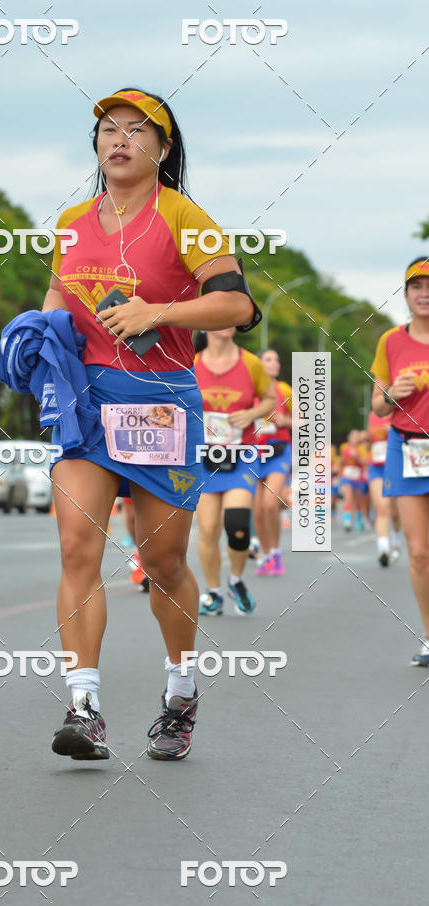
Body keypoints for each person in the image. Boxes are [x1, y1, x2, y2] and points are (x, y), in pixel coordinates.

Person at [42, 88, 259, 761]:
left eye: (138, 130)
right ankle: (84, 707)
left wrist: (156, 313)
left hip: (158, 400)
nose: (120, 138)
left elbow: (238, 305)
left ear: (163, 150)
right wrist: (38, 336)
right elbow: (58, 297)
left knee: (162, 560)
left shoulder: (183, 216)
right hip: (86, 402)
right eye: (109, 128)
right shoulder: (73, 223)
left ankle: (180, 692)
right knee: (78, 546)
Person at [371, 256, 429, 666]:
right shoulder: (391, 341)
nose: (424, 294)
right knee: (420, 551)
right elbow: (377, 406)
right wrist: (394, 391)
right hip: (408, 447)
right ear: (406, 294)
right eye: (416, 287)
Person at [195, 328, 274, 615]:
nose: (224, 322)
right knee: (207, 530)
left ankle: (236, 580)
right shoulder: (192, 363)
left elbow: (269, 399)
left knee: (237, 524)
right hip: (203, 457)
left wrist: (251, 414)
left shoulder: (251, 362)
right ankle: (213, 592)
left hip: (242, 454)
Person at [252, 348, 292, 576]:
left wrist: (284, 419)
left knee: (270, 502)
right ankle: (267, 555)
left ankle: (276, 553)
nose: (275, 363)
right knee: (257, 511)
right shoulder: (252, 388)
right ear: (259, 364)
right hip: (256, 452)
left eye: (277, 359)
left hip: (279, 450)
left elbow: (303, 421)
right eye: (268, 359)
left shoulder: (284, 389)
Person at [366, 411, 402, 566]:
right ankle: (383, 550)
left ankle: (396, 542)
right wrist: (365, 439)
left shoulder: (401, 410)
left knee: (395, 513)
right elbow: (369, 439)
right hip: (376, 467)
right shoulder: (373, 414)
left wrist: (393, 431)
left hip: (396, 465)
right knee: (381, 508)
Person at [339, 430, 368, 531]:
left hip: (358, 477)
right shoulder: (344, 447)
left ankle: (358, 521)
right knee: (348, 498)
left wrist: (357, 457)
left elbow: (366, 462)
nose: (355, 438)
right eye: (353, 436)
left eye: (356, 436)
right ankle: (347, 521)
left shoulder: (361, 448)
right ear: (349, 437)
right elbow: (341, 461)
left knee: (357, 500)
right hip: (347, 476)